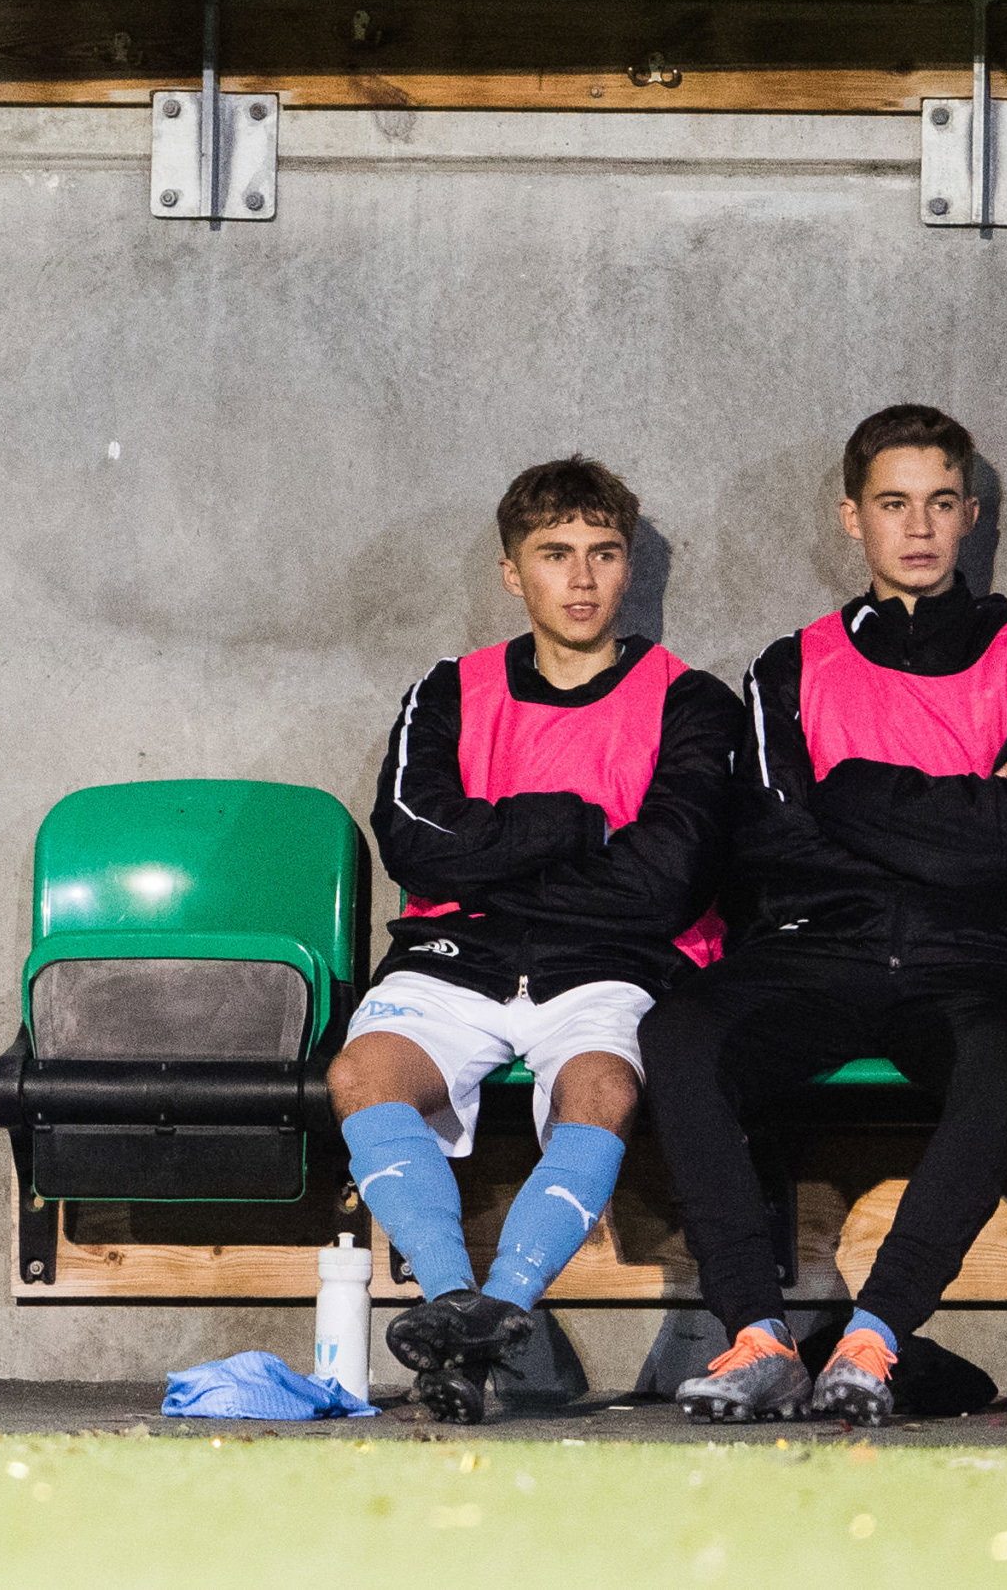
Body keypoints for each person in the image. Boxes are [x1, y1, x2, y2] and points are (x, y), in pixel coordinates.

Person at [645, 404, 1007, 1426]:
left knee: (1002, 1054)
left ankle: (873, 1338)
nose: (919, 526)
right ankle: (758, 1337)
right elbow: (773, 840)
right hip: (821, 947)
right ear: (853, 517)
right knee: (678, 1031)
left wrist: (847, 791)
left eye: (941, 502)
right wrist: (961, 819)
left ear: (971, 513)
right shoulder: (790, 665)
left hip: (982, 955)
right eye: (894, 503)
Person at [329, 457, 739, 1423]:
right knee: (361, 1072)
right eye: (556, 554)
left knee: (603, 1087)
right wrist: (577, 823)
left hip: (610, 964)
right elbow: (415, 844)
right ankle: (453, 1302)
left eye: (604, 552)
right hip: (456, 957)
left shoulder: (691, 700)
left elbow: (668, 878)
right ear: (514, 572)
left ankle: (499, 1305)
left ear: (629, 566)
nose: (582, 577)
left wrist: (491, 854)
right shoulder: (449, 690)